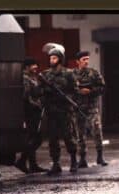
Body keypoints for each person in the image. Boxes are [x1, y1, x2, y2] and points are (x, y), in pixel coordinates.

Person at [40, 43, 78, 176]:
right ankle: (56, 164)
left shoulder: (68, 74)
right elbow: (40, 91)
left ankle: (74, 161)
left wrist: (66, 97)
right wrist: (46, 93)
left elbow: (75, 91)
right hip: (51, 111)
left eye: (54, 58)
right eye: (50, 58)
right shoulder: (45, 75)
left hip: (65, 110)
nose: (52, 60)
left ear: (60, 59)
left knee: (69, 137)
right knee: (53, 138)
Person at [73, 51, 107, 167]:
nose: (86, 61)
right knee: (80, 134)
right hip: (78, 108)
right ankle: (82, 159)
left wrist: (91, 91)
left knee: (97, 131)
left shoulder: (94, 73)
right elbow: (68, 89)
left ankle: (100, 156)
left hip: (92, 108)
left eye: (87, 59)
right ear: (78, 62)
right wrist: (79, 91)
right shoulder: (72, 75)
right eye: (84, 59)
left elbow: (102, 88)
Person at [15, 58, 47, 174]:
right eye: (33, 65)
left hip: (34, 111)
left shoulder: (33, 78)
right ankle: (22, 161)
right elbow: (26, 97)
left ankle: (33, 165)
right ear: (27, 67)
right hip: (30, 112)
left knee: (33, 138)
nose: (36, 67)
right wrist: (37, 104)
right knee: (36, 139)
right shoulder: (25, 79)